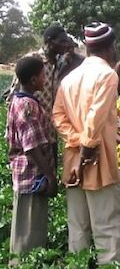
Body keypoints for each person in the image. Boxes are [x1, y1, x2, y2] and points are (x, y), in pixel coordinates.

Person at [52, 22, 120, 265]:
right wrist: (86, 144)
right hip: (97, 159)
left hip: (73, 160)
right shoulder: (107, 75)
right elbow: (96, 115)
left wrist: (75, 141)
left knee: (78, 227)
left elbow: (58, 117)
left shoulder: (69, 78)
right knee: (108, 227)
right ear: (110, 47)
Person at [6, 56, 57, 262]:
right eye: (44, 74)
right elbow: (32, 148)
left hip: (26, 176)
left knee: (24, 228)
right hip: (32, 176)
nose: (46, 78)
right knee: (29, 233)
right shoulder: (28, 105)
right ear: (34, 79)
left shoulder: (17, 100)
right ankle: (23, 264)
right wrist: (50, 177)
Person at [4, 24, 70, 167]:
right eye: (62, 41)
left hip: (49, 132)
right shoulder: (32, 60)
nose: (66, 45)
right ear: (49, 41)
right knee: (32, 177)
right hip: (30, 133)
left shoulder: (60, 63)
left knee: (49, 178)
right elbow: (14, 95)